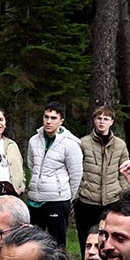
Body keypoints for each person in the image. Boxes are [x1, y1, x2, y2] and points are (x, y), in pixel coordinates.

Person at [24, 105, 83, 246]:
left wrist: (66, 196)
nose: (48, 121)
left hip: (57, 200)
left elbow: (76, 174)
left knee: (56, 243)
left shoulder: (70, 144)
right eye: (46, 117)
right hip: (34, 199)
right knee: (33, 242)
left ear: (61, 120)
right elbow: (32, 166)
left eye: (53, 118)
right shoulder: (34, 140)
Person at [74, 106, 130, 239]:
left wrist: (122, 192)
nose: (102, 122)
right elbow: (76, 171)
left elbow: (124, 172)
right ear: (94, 120)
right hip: (86, 201)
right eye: (99, 118)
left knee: (109, 238)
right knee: (86, 238)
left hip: (112, 200)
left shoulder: (120, 145)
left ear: (112, 121)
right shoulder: (83, 143)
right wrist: (77, 196)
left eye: (106, 119)